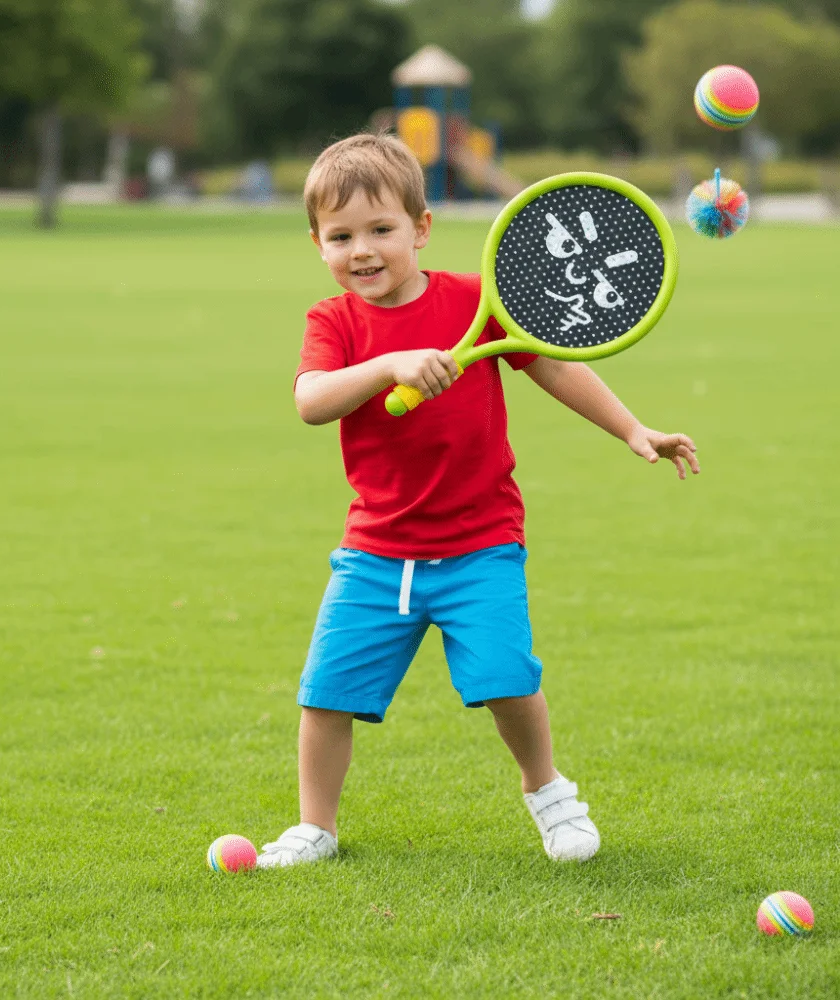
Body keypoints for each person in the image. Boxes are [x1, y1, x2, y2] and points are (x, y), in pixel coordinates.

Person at [256, 134, 699, 869]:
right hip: (375, 554)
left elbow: (553, 368)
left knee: (506, 680)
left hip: (479, 544)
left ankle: (551, 794)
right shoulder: (333, 323)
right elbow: (310, 401)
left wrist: (632, 427)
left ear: (421, 228)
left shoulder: (472, 301)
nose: (361, 250)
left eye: (380, 230)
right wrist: (388, 363)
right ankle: (316, 828)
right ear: (317, 243)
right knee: (325, 695)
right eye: (340, 237)